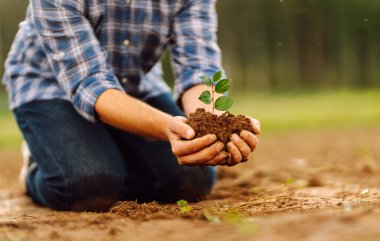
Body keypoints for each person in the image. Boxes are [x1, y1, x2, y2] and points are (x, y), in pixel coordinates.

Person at [2, 0, 260, 212]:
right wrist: (167, 128)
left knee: (192, 180)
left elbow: (199, 68)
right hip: (49, 88)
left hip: (135, 84)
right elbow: (90, 84)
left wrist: (216, 125)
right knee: (90, 188)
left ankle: (107, 151)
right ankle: (36, 167)